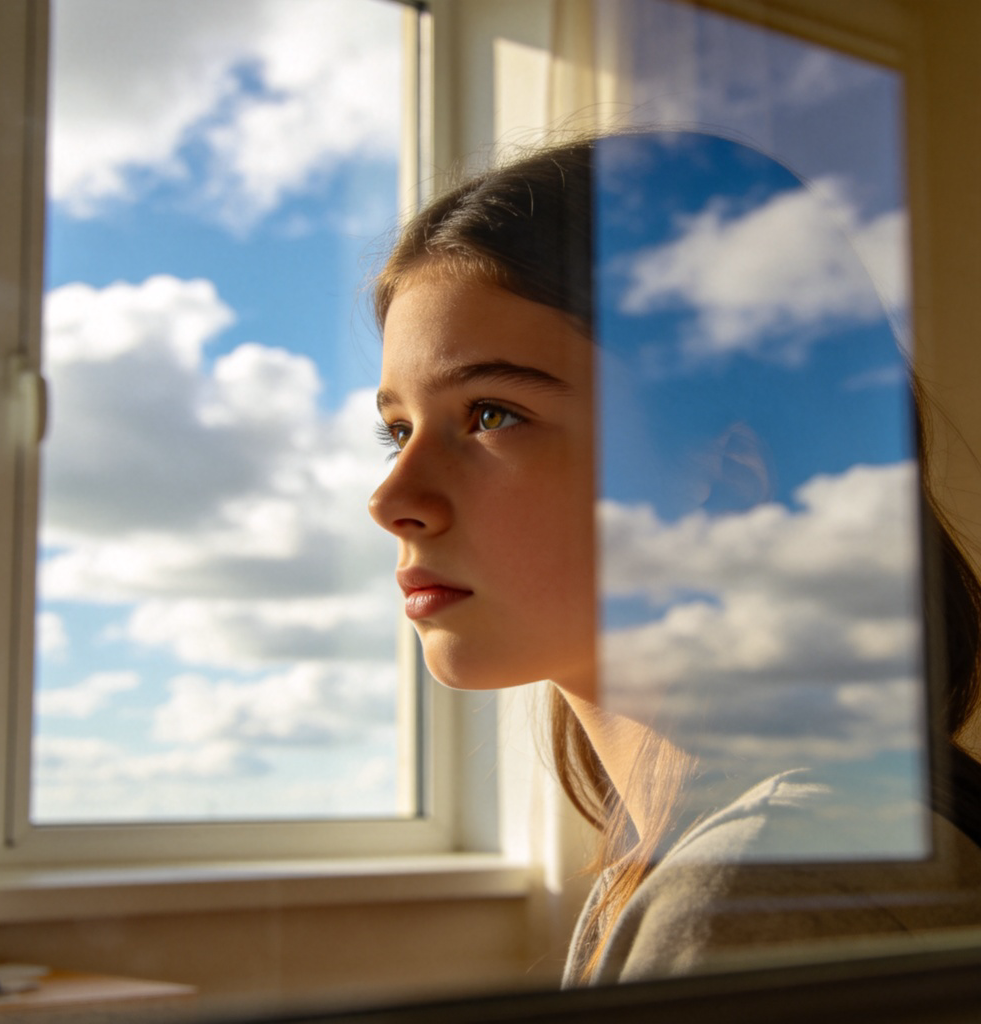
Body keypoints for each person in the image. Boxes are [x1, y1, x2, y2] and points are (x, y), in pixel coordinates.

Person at [367, 132, 981, 986]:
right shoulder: (728, 856)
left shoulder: (764, 883)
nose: (392, 498)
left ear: (726, 476)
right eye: (397, 430)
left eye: (491, 414)